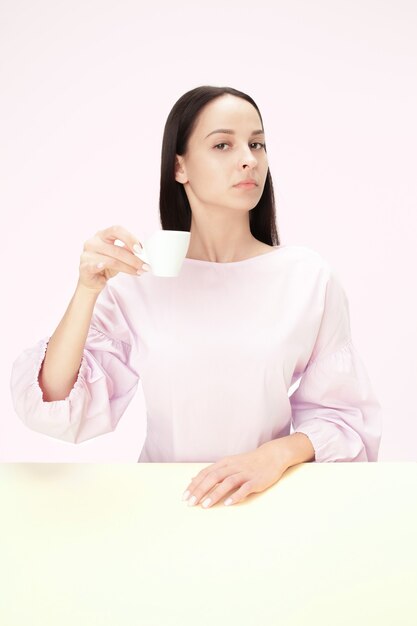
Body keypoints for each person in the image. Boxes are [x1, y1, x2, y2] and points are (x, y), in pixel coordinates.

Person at [10, 85, 382, 509]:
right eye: (223, 144)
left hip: (268, 505)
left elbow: (346, 420)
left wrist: (273, 456)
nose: (249, 159)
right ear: (179, 167)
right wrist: (86, 291)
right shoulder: (139, 280)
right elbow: (54, 405)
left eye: (257, 144)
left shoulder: (308, 279)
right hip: (162, 507)